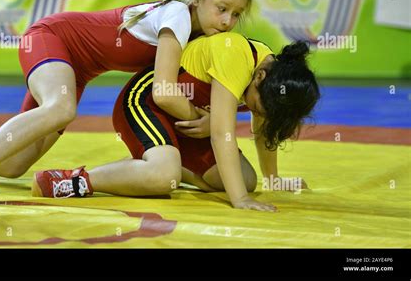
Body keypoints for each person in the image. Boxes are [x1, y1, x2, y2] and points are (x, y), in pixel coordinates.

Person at [0, 0, 256, 204]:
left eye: (236, 14)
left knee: (14, 163)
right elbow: (164, 91)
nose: (228, 21)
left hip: (76, 69)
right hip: (52, 38)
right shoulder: (178, 17)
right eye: (222, 9)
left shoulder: (198, 33)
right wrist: (204, 120)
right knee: (61, 108)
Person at [32, 33, 320, 212]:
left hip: (185, 125)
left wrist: (272, 179)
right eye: (262, 107)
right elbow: (222, 135)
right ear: (260, 78)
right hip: (147, 104)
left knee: (245, 179)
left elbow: (260, 127)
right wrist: (240, 200)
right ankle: (73, 181)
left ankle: (151, 166)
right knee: (163, 178)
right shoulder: (238, 56)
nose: (260, 112)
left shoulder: (271, 76)